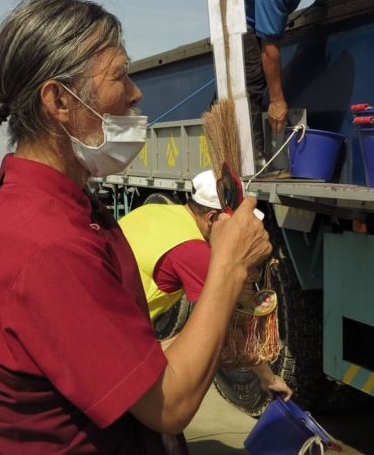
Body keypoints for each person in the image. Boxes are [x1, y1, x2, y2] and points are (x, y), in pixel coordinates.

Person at [0, 0, 273, 455]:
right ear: (59, 101)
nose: (136, 94)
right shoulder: (43, 241)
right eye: (120, 76)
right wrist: (229, 265)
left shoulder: (30, 199)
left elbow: (107, 357)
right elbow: (169, 405)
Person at [119, 170, 292, 401]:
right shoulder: (193, 252)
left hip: (100, 314)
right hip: (117, 343)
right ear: (211, 218)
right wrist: (269, 379)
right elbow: (230, 328)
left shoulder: (154, 210)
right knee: (207, 336)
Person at [242, 0, 348, 161]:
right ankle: (253, 157)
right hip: (244, 16)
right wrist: (277, 100)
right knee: (253, 81)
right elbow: (270, 47)